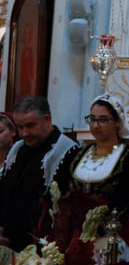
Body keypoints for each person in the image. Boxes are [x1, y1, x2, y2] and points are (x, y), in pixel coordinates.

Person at [41, 94, 129, 263]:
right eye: (92, 119)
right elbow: (59, 187)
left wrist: (96, 224)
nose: (95, 125)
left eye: (103, 120)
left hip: (108, 235)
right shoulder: (76, 153)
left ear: (118, 122)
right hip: (70, 233)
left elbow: (126, 199)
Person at [0, 96, 77, 251]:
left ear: (47, 119)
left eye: (30, 126)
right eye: (20, 127)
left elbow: (60, 209)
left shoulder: (67, 152)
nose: (24, 133)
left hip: (40, 245)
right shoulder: (18, 148)